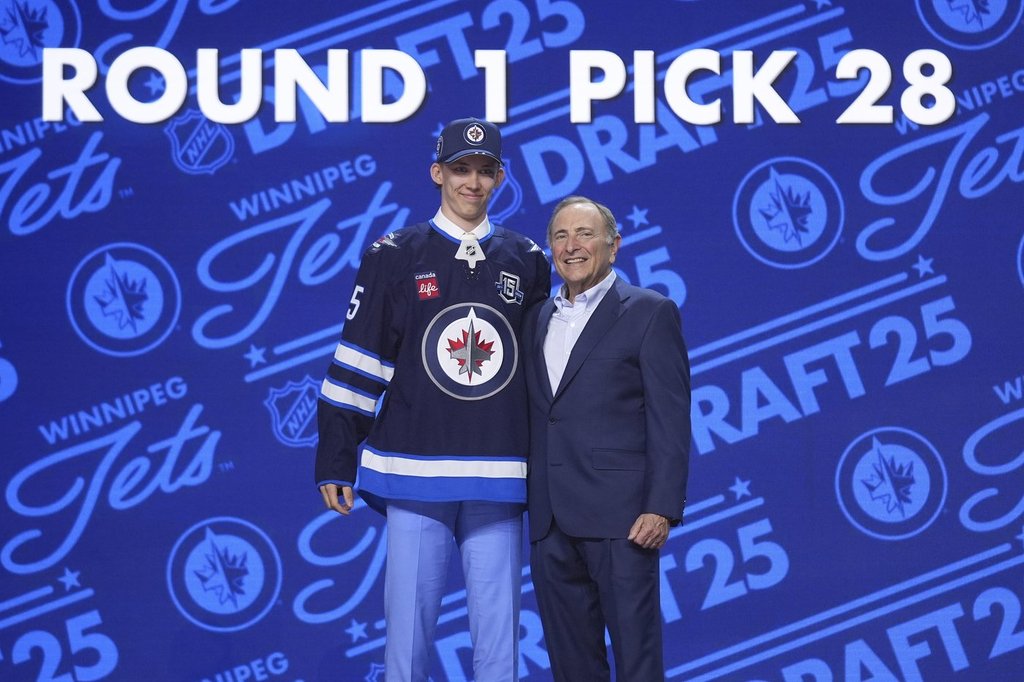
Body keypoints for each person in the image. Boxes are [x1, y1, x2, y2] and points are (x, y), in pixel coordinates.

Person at [315, 118, 551, 682]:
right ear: (437, 172)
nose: (473, 182)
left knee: (498, 639)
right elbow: (361, 356)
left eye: (485, 171)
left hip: (497, 469)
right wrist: (335, 456)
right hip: (413, 467)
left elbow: (546, 377)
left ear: (499, 177)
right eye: (461, 169)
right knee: (408, 638)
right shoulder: (393, 253)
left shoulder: (527, 258)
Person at [524, 195, 690, 682]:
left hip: (624, 521)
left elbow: (671, 419)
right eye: (560, 236)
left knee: (637, 662)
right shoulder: (534, 319)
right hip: (550, 520)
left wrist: (661, 506)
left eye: (585, 234)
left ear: (614, 246)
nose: (571, 246)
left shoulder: (650, 312)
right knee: (571, 665)